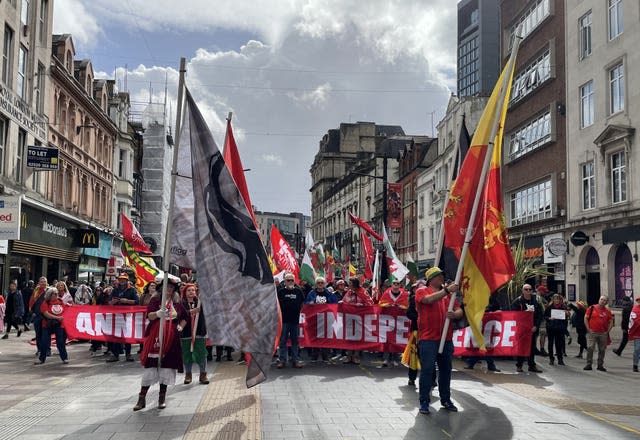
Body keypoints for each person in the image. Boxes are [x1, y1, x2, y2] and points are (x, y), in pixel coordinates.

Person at [134, 278, 188, 410]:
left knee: (166, 367)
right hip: (155, 337)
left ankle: (161, 398)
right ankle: (141, 399)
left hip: (172, 338)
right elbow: (149, 316)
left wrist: (180, 327)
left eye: (171, 287)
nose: (168, 290)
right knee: (150, 367)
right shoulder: (155, 301)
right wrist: (158, 313)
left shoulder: (178, 303)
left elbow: (185, 317)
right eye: (166, 287)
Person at [415, 267, 463, 415]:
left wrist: (455, 314)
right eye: (439, 275)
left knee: (446, 370)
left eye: (442, 275)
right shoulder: (421, 290)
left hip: (446, 338)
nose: (442, 277)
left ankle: (446, 399)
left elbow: (459, 310)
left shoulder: (449, 295)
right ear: (432, 278)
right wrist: (447, 291)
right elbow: (428, 300)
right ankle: (424, 401)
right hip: (428, 339)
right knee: (427, 370)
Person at [511, 284, 544, 373]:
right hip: (521, 329)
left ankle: (532, 365)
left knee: (532, 347)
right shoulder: (518, 301)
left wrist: (536, 326)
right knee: (521, 347)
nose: (528, 291)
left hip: (532, 329)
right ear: (522, 291)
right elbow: (513, 315)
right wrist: (523, 314)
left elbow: (539, 315)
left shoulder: (535, 301)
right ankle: (519, 365)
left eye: (530, 289)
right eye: (526, 289)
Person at [180, 283, 209, 384]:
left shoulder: (200, 302)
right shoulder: (182, 303)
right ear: (185, 292)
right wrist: (192, 311)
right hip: (186, 333)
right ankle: (188, 374)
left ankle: (203, 374)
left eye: (193, 290)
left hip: (199, 331)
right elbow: (180, 314)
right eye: (189, 290)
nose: (191, 292)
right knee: (187, 354)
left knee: (201, 353)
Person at [464, 295, 501, 372]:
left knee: (488, 345)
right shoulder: (477, 297)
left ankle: (490, 365)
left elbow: (499, 311)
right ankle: (471, 363)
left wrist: (492, 314)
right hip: (479, 324)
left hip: (489, 326)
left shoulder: (494, 299)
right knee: (476, 343)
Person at [106, 274, 139, 362]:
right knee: (116, 335)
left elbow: (137, 302)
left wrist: (126, 301)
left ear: (127, 280)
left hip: (128, 316)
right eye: (120, 279)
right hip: (116, 316)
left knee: (127, 335)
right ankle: (115, 355)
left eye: (124, 279)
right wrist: (112, 302)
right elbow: (109, 302)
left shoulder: (132, 290)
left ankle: (128, 354)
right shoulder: (115, 290)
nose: (122, 281)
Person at [341, 277, 373, 365]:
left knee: (358, 337)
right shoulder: (349, 292)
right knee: (349, 336)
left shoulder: (363, 291)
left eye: (350, 283)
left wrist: (361, 305)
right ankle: (349, 356)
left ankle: (356, 356)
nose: (349, 285)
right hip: (349, 318)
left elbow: (370, 303)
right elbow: (345, 301)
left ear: (354, 284)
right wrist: (342, 303)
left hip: (360, 319)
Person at [305, 277, 338, 362]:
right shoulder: (312, 293)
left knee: (325, 337)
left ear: (324, 284)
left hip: (326, 319)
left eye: (322, 283)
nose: (320, 284)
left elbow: (334, 302)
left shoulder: (328, 293)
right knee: (315, 336)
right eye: (318, 283)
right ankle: (314, 356)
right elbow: (306, 303)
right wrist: (310, 303)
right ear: (316, 284)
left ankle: (325, 356)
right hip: (315, 319)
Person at [276, 273, 305, 369]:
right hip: (284, 321)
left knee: (295, 341)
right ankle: (282, 360)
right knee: (283, 341)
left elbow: (303, 303)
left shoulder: (298, 291)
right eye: (288, 280)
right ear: (284, 281)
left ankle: (295, 360)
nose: (290, 282)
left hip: (295, 321)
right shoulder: (280, 291)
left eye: (292, 280)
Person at [378, 279, 408, 367]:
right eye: (394, 283)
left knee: (397, 339)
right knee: (387, 339)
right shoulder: (387, 293)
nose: (396, 285)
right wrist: (386, 305)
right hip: (388, 319)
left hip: (400, 320)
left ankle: (395, 358)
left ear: (400, 285)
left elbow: (407, 305)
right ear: (391, 284)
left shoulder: (405, 294)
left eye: (397, 284)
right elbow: (381, 303)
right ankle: (386, 358)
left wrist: (403, 307)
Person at [35, 286, 69, 365]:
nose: (56, 295)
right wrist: (57, 317)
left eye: (57, 294)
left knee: (60, 342)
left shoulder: (60, 301)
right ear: (50, 295)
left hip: (59, 325)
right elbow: (46, 314)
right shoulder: (45, 302)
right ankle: (42, 359)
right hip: (47, 325)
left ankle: (64, 358)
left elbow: (65, 310)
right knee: (45, 342)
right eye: (54, 294)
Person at [583, 295, 614, 372]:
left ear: (606, 302)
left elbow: (611, 322)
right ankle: (588, 364)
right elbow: (586, 318)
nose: (602, 301)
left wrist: (607, 331)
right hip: (592, 332)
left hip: (603, 333)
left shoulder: (607, 311)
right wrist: (588, 328)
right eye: (601, 299)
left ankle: (600, 365)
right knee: (590, 348)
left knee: (602, 349)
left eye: (604, 300)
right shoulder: (592, 308)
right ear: (599, 299)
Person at [544, 294, 570, 366]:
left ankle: (560, 359)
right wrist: (549, 318)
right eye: (555, 299)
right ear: (553, 300)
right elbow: (545, 316)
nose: (556, 301)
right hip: (551, 328)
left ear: (560, 300)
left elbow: (566, 317)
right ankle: (551, 359)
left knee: (559, 344)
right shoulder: (549, 307)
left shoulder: (563, 307)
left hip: (560, 328)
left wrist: (567, 314)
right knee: (550, 343)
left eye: (558, 299)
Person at [536, 285, 550, 355]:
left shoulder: (540, 298)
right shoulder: (538, 298)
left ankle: (536, 348)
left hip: (538, 318)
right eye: (544, 292)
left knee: (538, 334)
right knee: (542, 333)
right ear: (540, 291)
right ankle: (541, 349)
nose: (545, 293)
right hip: (541, 318)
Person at [628, 297, 640, 372]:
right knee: (637, 349)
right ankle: (635, 365)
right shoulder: (635, 309)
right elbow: (634, 320)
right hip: (637, 333)